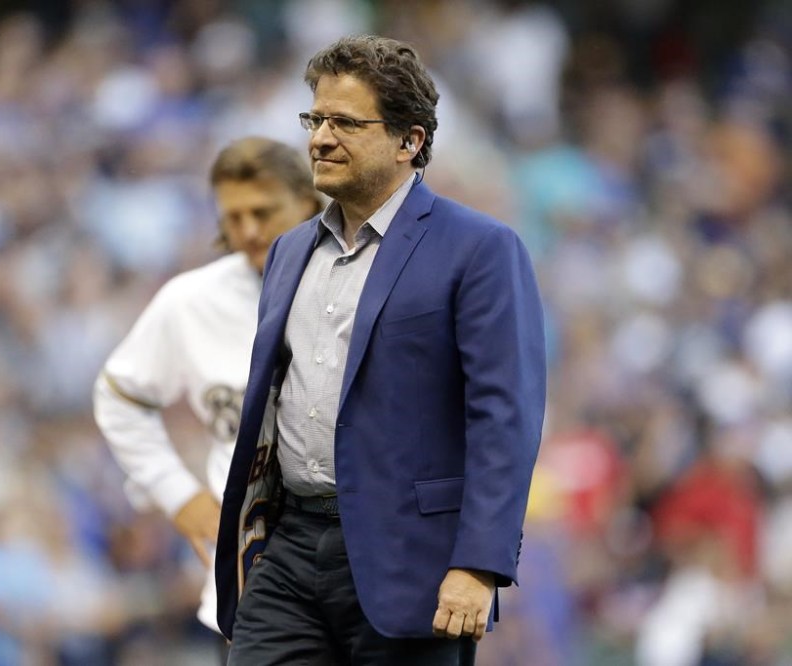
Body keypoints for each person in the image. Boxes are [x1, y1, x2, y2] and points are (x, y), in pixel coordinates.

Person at [215, 35, 547, 664]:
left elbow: (506, 419)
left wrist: (479, 565)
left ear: (409, 141)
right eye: (315, 119)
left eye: (344, 122)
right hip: (289, 552)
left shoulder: (480, 249)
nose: (319, 138)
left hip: (410, 564)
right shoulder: (289, 252)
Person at [92, 138, 324, 645]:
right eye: (232, 217)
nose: (249, 231)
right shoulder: (192, 301)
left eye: (263, 212)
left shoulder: (360, 286)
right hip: (257, 574)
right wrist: (179, 495)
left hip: (362, 565)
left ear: (309, 201)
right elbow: (119, 398)